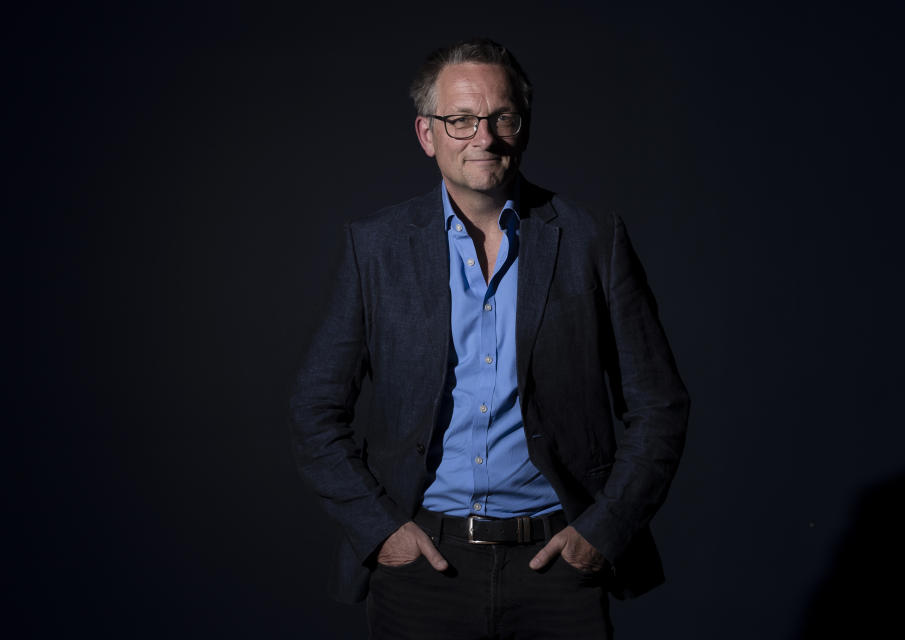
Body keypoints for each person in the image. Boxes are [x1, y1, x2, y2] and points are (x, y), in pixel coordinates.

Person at [290, 38, 689, 639]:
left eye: (501, 117)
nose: (484, 136)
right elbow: (314, 410)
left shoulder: (591, 240)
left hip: (559, 567)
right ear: (427, 134)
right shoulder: (373, 248)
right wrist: (380, 530)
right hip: (423, 568)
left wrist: (602, 532)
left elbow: (660, 404)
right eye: (461, 119)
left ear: (521, 127)